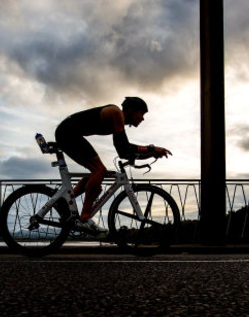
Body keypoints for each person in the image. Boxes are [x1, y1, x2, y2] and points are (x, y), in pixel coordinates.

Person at [54, 97, 172, 232]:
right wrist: (151, 149)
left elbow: (124, 151)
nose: (142, 119)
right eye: (142, 114)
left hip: (68, 132)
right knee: (99, 170)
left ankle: (62, 202)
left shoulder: (118, 119)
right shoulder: (116, 113)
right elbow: (124, 149)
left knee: (97, 173)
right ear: (131, 110)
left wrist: (150, 153)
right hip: (68, 133)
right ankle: (84, 217)